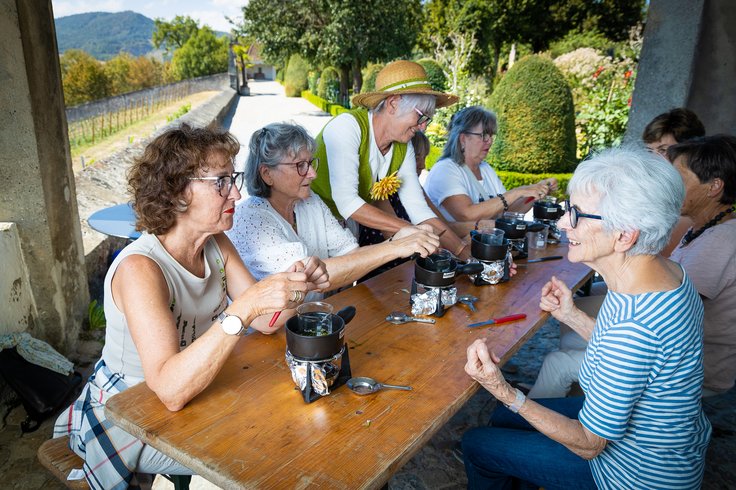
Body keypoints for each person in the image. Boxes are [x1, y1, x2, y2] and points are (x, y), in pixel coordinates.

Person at [53, 124, 327, 488]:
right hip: (131, 413)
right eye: (221, 182)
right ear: (178, 191)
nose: (235, 192)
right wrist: (243, 308)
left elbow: (266, 322)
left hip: (201, 389)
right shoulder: (141, 269)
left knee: (284, 423)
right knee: (260, 451)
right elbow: (169, 389)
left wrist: (298, 286)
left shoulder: (216, 243)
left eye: (234, 178)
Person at [462, 148, 711, 489]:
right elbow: (630, 356)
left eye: (577, 215)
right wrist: (571, 315)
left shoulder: (634, 326)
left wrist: (502, 389)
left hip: (631, 475)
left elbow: (590, 444)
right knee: (505, 418)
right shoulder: (664, 275)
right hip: (664, 443)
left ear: (625, 235)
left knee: (478, 443)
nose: (564, 222)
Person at [227, 123, 440, 296]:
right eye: (300, 165)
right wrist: (394, 246)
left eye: (311, 163)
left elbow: (351, 254)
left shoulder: (311, 202)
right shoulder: (251, 219)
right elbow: (311, 279)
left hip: (316, 321)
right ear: (267, 174)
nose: (312, 174)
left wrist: (396, 242)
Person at [311, 60, 471, 259]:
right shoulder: (347, 127)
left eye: (427, 120)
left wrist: (464, 252)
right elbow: (347, 202)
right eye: (421, 117)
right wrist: (411, 232)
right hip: (310, 220)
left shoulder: (404, 147)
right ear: (393, 104)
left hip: (344, 227)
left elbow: (418, 209)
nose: (424, 128)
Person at [668, 135, 736, 396]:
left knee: (561, 361)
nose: (670, 187)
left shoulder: (722, 238)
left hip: (696, 370)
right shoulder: (702, 227)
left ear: (714, 186)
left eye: (679, 180)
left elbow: (670, 307)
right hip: (678, 355)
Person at [423, 106, 557, 223]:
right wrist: (517, 192)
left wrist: (537, 192)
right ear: (463, 139)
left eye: (491, 136)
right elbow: (466, 215)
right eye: (483, 135)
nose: (489, 141)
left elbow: (508, 212)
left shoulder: (485, 169)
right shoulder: (445, 170)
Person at [643, 107, 706, 256]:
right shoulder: (659, 188)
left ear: (690, 152)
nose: (654, 159)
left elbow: (655, 257)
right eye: (649, 151)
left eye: (663, 150)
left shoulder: (690, 198)